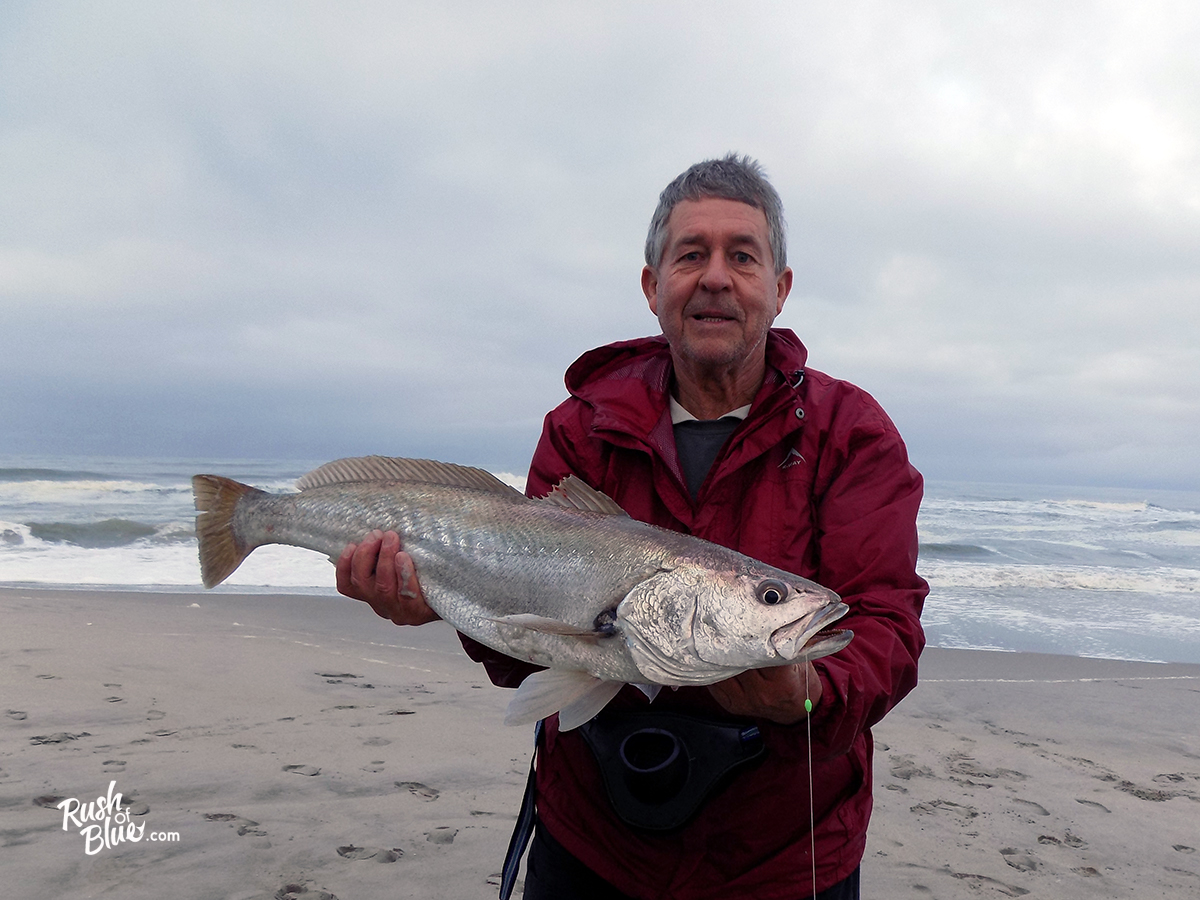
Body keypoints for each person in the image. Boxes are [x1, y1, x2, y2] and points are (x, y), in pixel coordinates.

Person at [337, 154, 928, 899]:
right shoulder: (581, 428)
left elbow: (885, 627)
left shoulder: (852, 433)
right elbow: (528, 655)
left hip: (779, 859)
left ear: (779, 291)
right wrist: (442, 600)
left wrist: (812, 691)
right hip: (591, 839)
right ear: (653, 288)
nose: (715, 277)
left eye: (742, 256)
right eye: (691, 255)